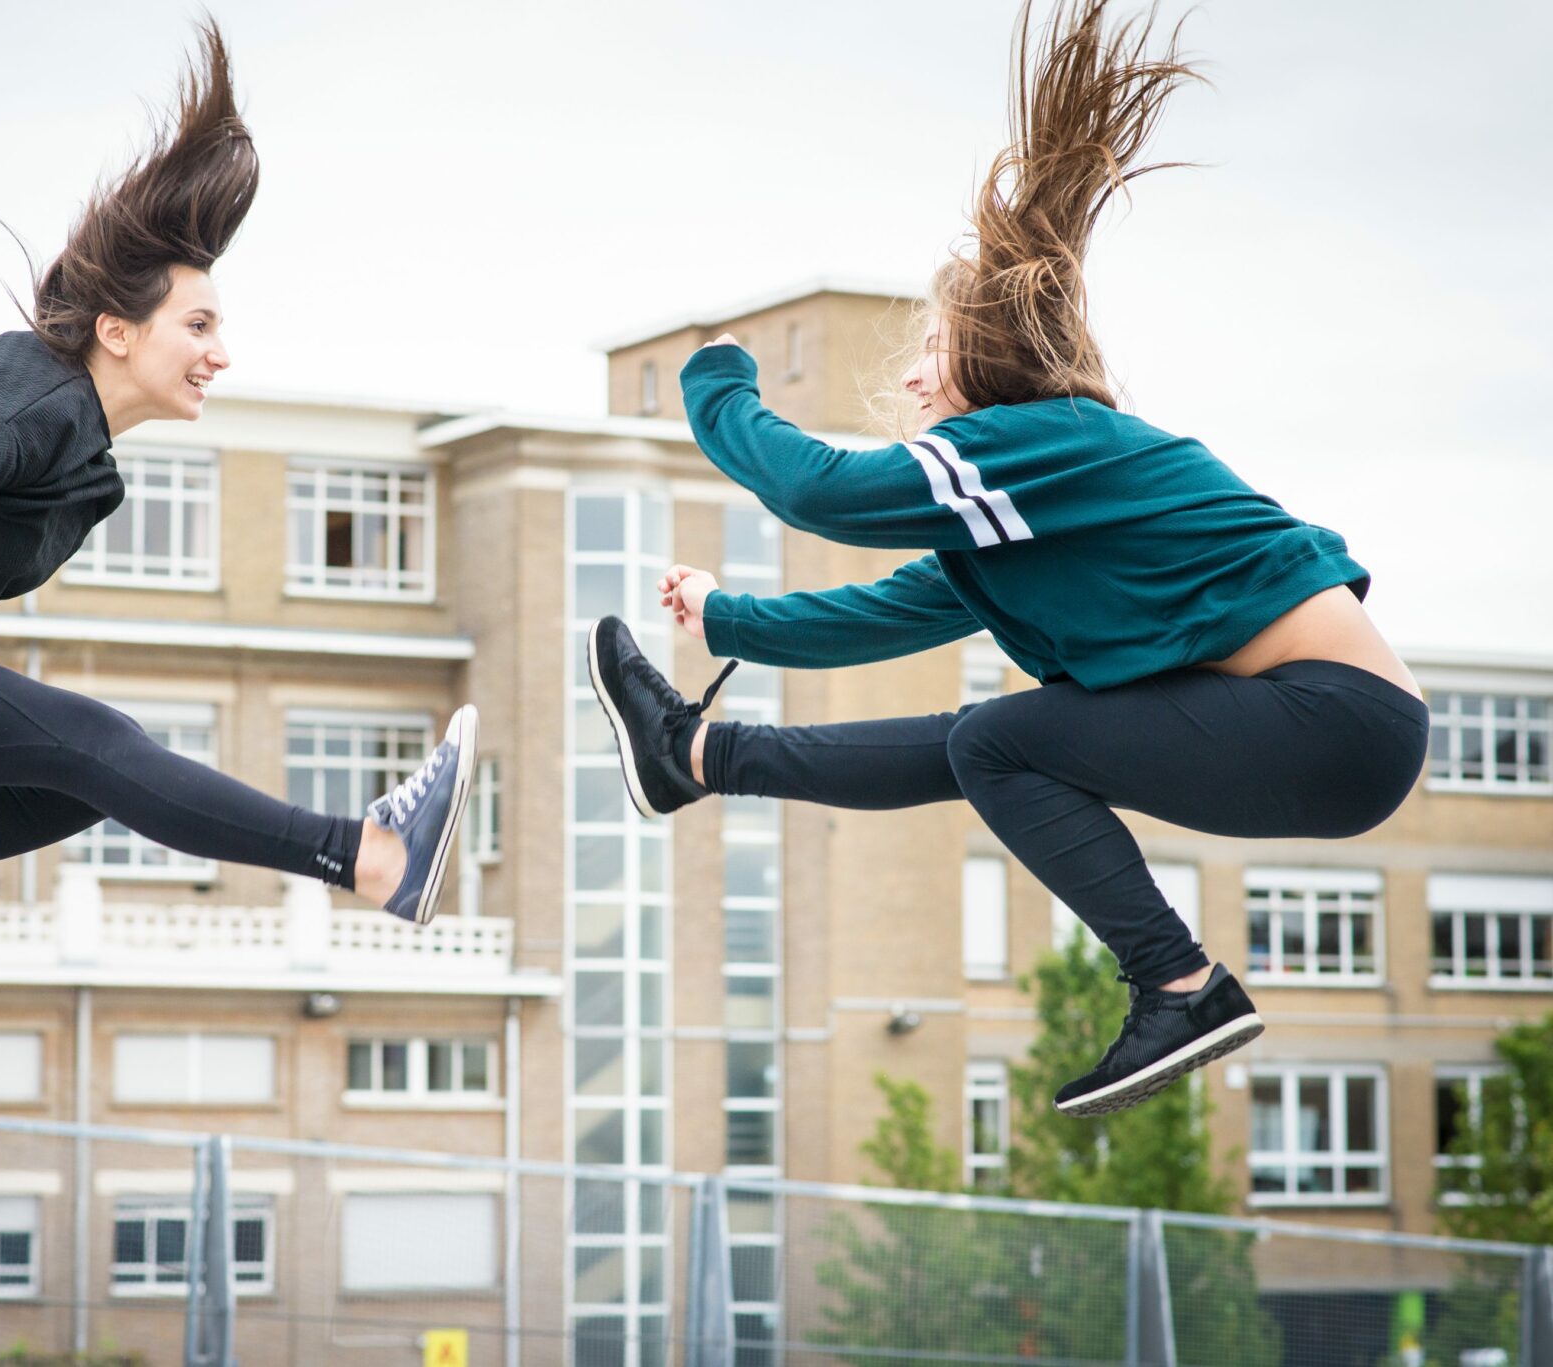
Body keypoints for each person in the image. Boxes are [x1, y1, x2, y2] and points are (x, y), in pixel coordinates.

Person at [587, 0, 1427, 1118]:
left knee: (999, 739)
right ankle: (695, 756)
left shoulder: (1046, 443)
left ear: (986, 359)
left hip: (1332, 719)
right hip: (1326, 737)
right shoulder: (1029, 512)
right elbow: (887, 611)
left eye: (928, 354)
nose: (911, 381)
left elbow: (816, 490)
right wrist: (728, 619)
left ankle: (1178, 984)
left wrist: (717, 380)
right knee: (987, 742)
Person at [0, 26, 477, 1047]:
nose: (221, 354)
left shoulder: (86, 466)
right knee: (99, 743)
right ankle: (370, 855)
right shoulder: (40, 392)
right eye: (198, 326)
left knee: (79, 767)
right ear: (117, 329)